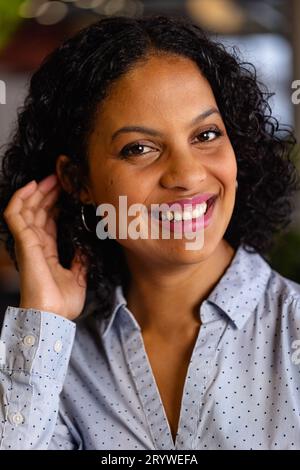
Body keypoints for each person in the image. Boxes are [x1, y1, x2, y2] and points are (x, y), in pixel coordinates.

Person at [0, 14, 300, 451]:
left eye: (206, 134)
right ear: (77, 180)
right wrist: (45, 315)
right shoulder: (52, 362)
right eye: (139, 148)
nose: (186, 175)